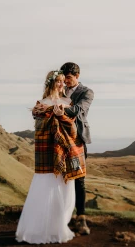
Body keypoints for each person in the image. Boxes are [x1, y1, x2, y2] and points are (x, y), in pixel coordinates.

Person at [16, 70, 86, 244]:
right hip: (48, 154)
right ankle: (39, 229)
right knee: (45, 190)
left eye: (63, 81)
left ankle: (58, 227)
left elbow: (73, 130)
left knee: (65, 192)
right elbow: (40, 130)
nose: (62, 84)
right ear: (51, 84)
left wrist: (62, 115)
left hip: (65, 154)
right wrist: (49, 115)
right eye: (58, 81)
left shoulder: (68, 102)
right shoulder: (41, 104)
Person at [32, 62, 94, 235]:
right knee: (58, 178)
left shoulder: (86, 92)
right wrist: (39, 109)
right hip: (57, 141)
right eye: (63, 78)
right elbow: (49, 98)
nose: (65, 82)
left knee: (79, 179)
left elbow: (79, 110)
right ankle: (61, 218)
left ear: (77, 76)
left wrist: (57, 108)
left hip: (77, 139)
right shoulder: (62, 89)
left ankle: (80, 218)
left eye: (69, 78)